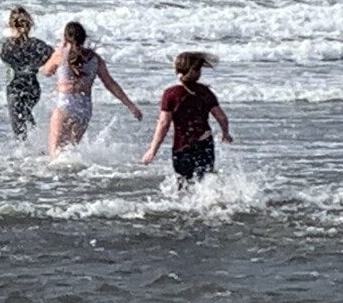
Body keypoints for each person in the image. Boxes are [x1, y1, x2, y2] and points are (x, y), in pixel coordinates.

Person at [39, 20, 142, 153]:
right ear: (84, 38)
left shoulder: (60, 55)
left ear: (65, 37)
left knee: (55, 151)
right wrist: (131, 106)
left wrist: (59, 48)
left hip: (65, 105)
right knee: (69, 151)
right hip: (84, 109)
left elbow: (46, 71)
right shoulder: (95, 59)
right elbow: (110, 84)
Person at [140, 50, 232, 183]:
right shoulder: (205, 92)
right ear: (198, 72)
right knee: (205, 181)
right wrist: (225, 133)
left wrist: (152, 150)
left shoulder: (171, 94)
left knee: (184, 184)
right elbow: (222, 117)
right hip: (205, 142)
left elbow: (164, 124)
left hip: (182, 146)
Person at [0, 6, 55, 139]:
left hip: (14, 89)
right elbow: (54, 58)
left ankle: (27, 151)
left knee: (18, 126)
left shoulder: (4, 43)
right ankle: (38, 143)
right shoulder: (37, 45)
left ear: (10, 24)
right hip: (33, 88)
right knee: (26, 115)